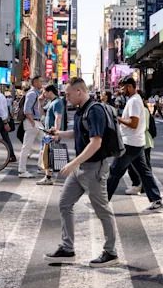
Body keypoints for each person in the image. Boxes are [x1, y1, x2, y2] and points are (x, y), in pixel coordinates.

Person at [44, 77, 121, 267]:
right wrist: (58, 134)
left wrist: (72, 163)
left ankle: (111, 253)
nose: (66, 98)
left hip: (93, 168)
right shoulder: (81, 110)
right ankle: (67, 249)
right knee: (64, 203)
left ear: (79, 92)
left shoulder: (94, 110)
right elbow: (78, 133)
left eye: (68, 94)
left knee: (102, 210)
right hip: (80, 167)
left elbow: (96, 143)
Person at [106, 77, 163, 212]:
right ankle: (157, 200)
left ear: (130, 87)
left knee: (115, 172)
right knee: (144, 172)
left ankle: (102, 201)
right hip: (136, 142)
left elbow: (134, 123)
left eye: (123, 87)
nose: (121, 90)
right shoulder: (135, 100)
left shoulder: (133, 102)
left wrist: (117, 118)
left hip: (130, 143)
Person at [37, 84, 65, 185]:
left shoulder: (57, 102)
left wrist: (56, 132)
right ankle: (48, 175)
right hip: (47, 132)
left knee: (47, 156)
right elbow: (42, 113)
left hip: (51, 133)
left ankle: (48, 177)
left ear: (50, 91)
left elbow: (58, 117)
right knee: (46, 155)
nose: (43, 94)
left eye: (44, 92)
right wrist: (39, 102)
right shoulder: (51, 102)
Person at [18, 76, 44, 178]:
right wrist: (32, 122)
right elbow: (26, 109)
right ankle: (22, 171)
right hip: (32, 122)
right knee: (26, 147)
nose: (42, 83)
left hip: (37, 122)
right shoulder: (32, 93)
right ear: (35, 83)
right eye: (41, 81)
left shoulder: (37, 93)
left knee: (46, 143)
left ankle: (41, 167)